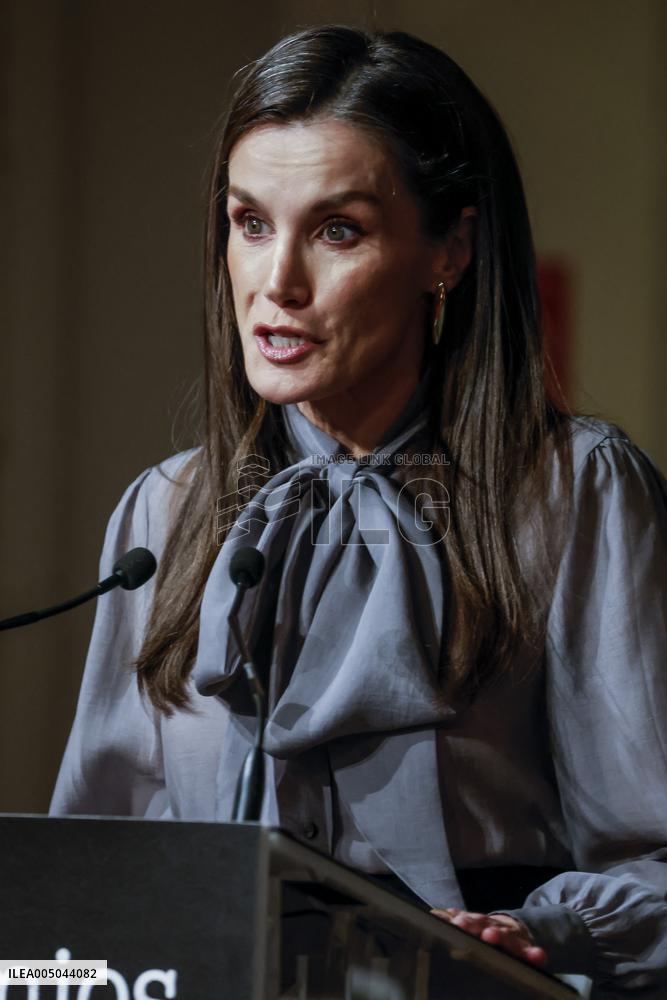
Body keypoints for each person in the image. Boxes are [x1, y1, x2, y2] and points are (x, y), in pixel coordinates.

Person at [50, 24, 667, 995]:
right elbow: (87, 882)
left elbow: (653, 857)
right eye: (250, 223)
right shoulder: (164, 511)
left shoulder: (573, 491)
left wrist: (527, 933)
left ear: (449, 249)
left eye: (337, 230)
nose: (276, 284)